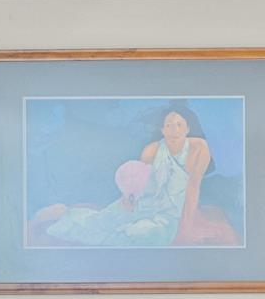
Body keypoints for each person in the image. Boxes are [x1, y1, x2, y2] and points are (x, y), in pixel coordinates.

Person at [35, 101, 214, 247]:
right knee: (106, 220)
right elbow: (140, 183)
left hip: (168, 214)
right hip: (145, 204)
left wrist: (186, 230)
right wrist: (129, 200)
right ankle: (65, 214)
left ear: (187, 129)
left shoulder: (199, 148)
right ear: (162, 130)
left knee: (139, 233)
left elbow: (193, 187)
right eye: (168, 125)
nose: (173, 130)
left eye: (179, 125)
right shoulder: (151, 150)